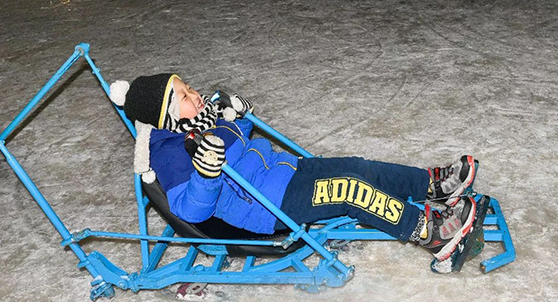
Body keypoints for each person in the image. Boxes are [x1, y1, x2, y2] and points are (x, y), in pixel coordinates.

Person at [109, 74, 481, 274]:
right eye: (184, 96)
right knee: (349, 189)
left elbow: (235, 139)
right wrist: (206, 175)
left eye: (190, 87)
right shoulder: (171, 155)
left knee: (358, 167)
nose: (196, 95)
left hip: (286, 173)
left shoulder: (200, 123)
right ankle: (431, 234)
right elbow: (189, 210)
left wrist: (235, 118)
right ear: (166, 115)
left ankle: (430, 185)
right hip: (269, 206)